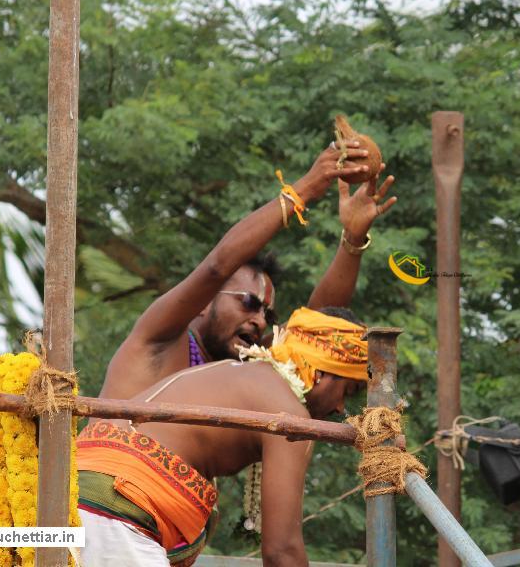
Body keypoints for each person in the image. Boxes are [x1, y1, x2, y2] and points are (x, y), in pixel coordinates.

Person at [99, 141, 396, 402]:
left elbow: (316, 331)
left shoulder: (240, 369)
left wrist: (353, 240)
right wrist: (302, 191)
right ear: (204, 301)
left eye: (268, 315)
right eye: (249, 303)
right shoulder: (162, 335)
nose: (259, 321)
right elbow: (217, 268)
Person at [77, 306, 370, 566]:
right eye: (349, 390)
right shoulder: (291, 419)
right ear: (320, 372)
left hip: (61, 504)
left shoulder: (237, 373)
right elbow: (282, 552)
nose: (341, 407)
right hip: (115, 514)